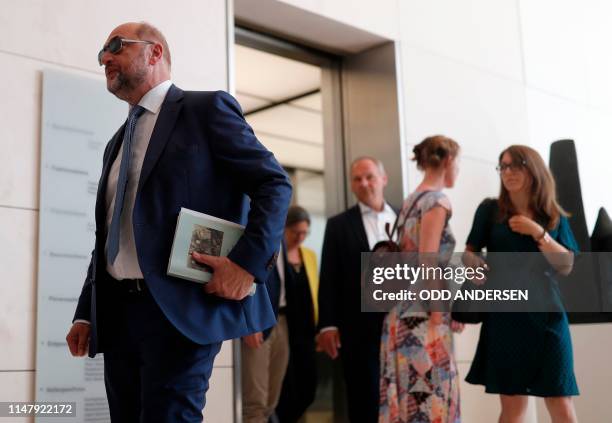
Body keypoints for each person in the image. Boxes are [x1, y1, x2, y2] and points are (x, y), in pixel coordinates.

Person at [65, 22, 292, 422]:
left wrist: (246, 265)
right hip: (119, 314)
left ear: (154, 53)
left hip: (179, 310)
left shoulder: (206, 110)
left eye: (116, 46)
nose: (105, 57)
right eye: (102, 51)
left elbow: (273, 184)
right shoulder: (116, 142)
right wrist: (86, 311)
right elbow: (109, 233)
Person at [464, 145, 579, 423]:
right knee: (513, 408)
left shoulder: (552, 214)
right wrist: (474, 265)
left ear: (533, 169)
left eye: (516, 165)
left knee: (560, 400)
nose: (508, 172)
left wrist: (538, 232)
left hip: (548, 315)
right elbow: (469, 252)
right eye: (503, 167)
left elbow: (566, 265)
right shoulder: (490, 210)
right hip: (506, 316)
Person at [379, 135, 463, 423]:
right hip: (424, 314)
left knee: (411, 395)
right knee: (432, 395)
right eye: (458, 162)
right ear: (449, 160)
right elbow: (428, 258)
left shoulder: (411, 200)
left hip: (402, 310)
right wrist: (440, 310)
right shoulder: (437, 201)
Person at [317, 157, 397, 423]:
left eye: (370, 176)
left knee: (403, 396)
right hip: (358, 328)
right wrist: (327, 325)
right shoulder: (339, 225)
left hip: (402, 325)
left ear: (383, 179)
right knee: (365, 400)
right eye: (357, 179)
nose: (364, 183)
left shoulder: (404, 218)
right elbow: (328, 276)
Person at [276, 206, 319, 422]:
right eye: (296, 232)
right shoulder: (277, 255)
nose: (300, 237)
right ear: (285, 229)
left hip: (306, 332)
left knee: (308, 388)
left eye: (305, 233)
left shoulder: (309, 255)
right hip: (284, 328)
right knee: (285, 389)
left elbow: (315, 291)